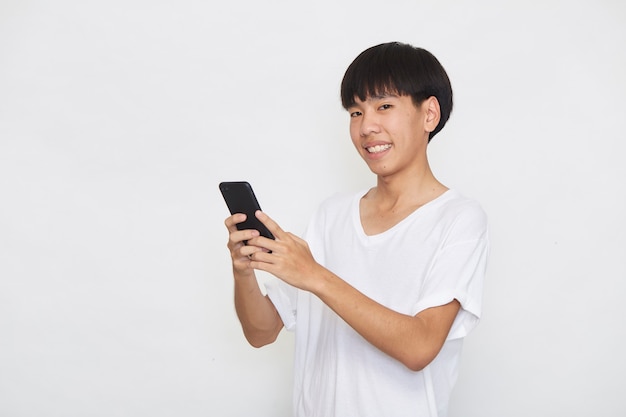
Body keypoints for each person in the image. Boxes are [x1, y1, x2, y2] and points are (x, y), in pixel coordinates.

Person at [224, 41, 489, 417]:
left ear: (429, 114)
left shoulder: (459, 219)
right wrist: (243, 273)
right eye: (355, 111)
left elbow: (420, 347)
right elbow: (261, 332)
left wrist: (314, 275)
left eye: (384, 106)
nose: (367, 127)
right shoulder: (332, 215)